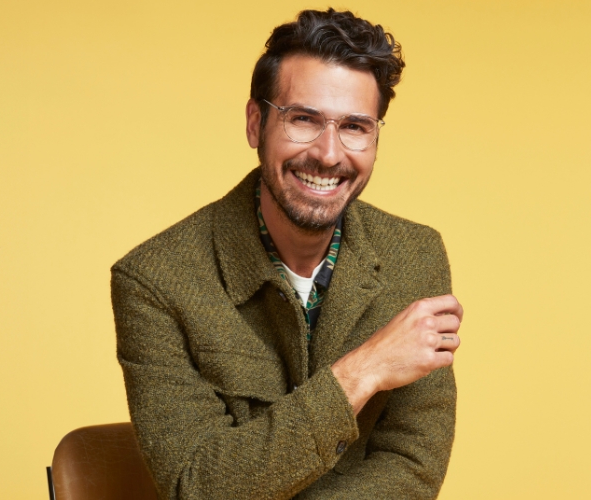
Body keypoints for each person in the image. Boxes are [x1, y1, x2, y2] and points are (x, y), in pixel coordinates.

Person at [111, 8, 462, 500]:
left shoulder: (416, 255)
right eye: (303, 119)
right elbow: (197, 486)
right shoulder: (154, 281)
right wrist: (362, 371)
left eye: (356, 127)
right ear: (256, 123)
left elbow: (412, 465)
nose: (329, 153)